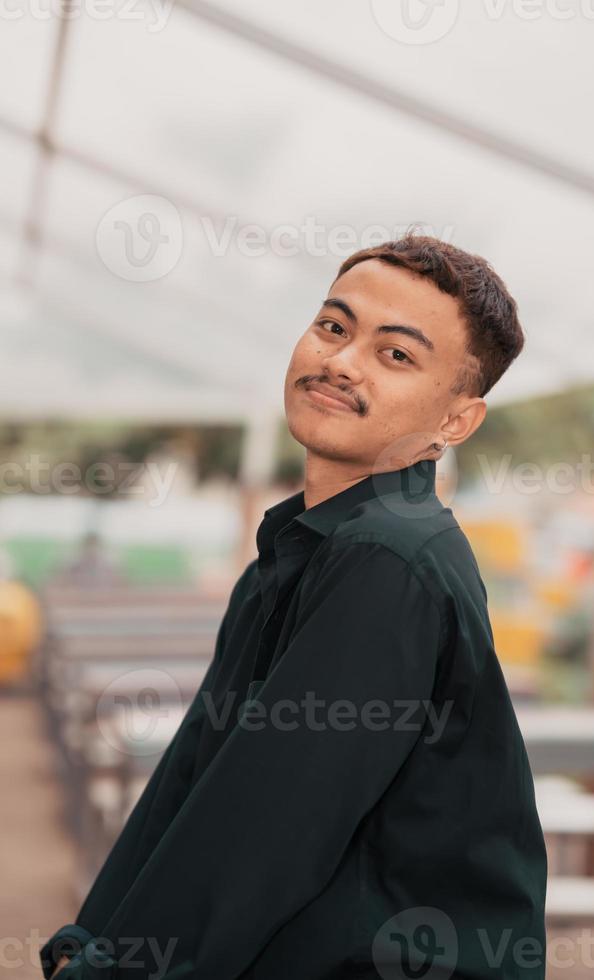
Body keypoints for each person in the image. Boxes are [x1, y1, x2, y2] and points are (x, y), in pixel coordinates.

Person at [41, 233, 547, 980]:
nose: (340, 361)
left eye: (396, 354)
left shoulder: (389, 559)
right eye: (334, 327)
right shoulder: (301, 547)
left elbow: (263, 835)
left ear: (455, 423)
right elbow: (195, 786)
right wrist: (97, 942)